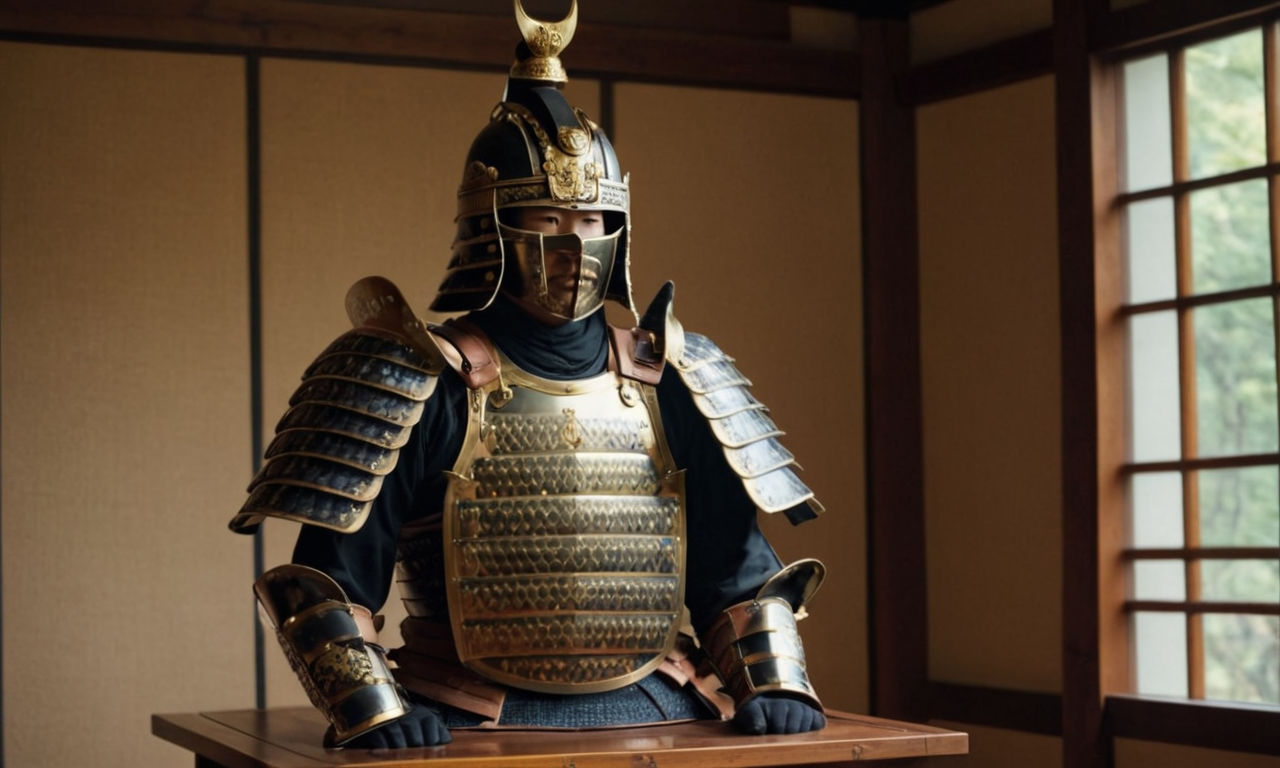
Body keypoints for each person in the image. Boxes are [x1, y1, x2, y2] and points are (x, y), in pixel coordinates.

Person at [229, 0, 828, 750]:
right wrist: (373, 707)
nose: (571, 248)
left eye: (590, 221)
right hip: (465, 708)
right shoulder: (416, 378)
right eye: (544, 221)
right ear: (489, 231)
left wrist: (770, 678)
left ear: (619, 230)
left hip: (658, 708)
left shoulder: (673, 375)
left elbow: (733, 566)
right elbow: (331, 578)